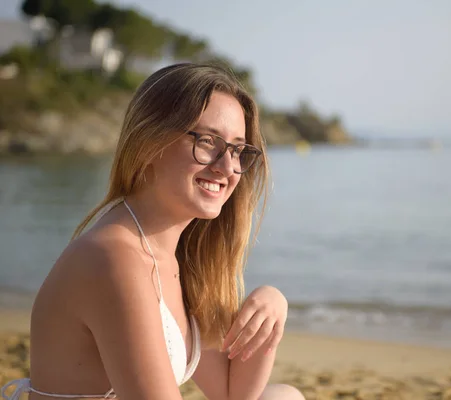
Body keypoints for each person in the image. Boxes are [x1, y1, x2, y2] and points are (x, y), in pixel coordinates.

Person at [1, 63, 304, 400]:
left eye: (236, 150)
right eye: (207, 142)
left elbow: (232, 393)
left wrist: (273, 306)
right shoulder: (113, 258)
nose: (226, 167)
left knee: (282, 396)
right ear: (149, 143)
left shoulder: (172, 255)